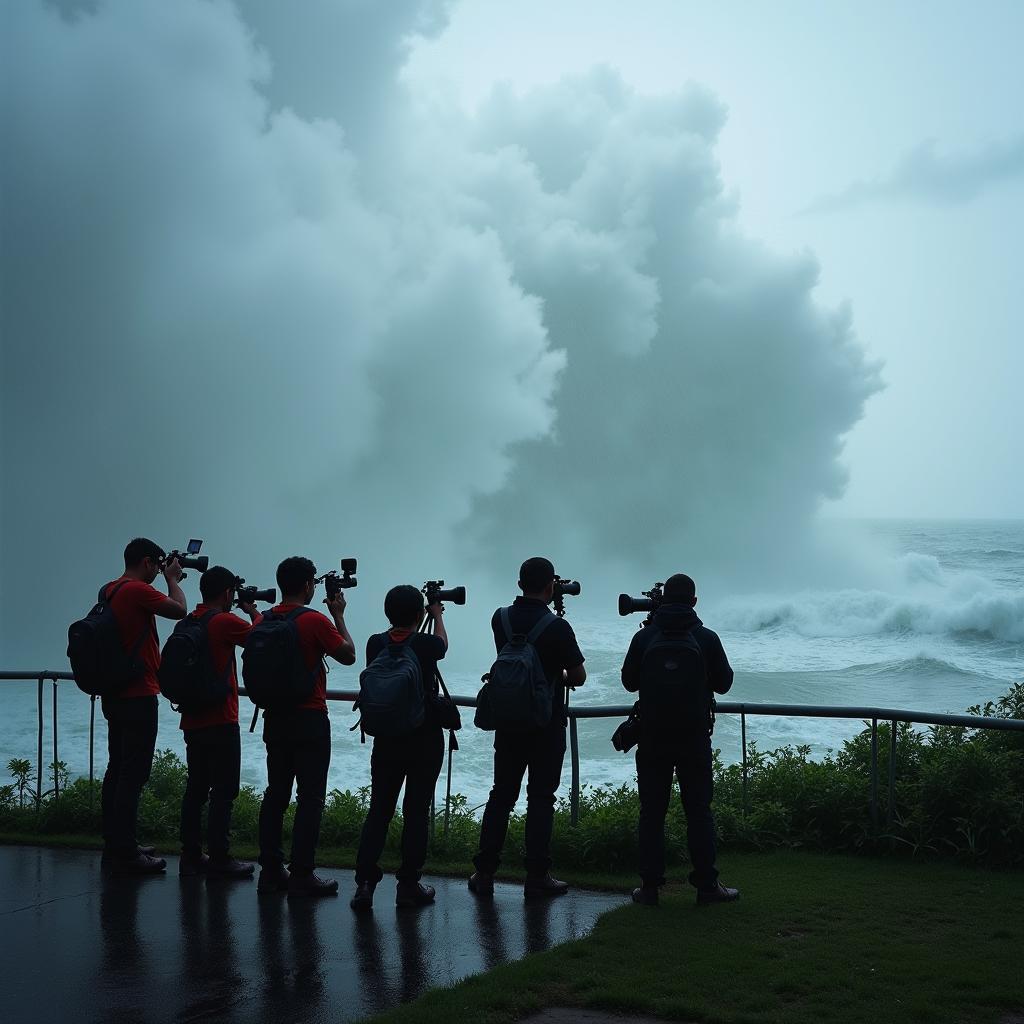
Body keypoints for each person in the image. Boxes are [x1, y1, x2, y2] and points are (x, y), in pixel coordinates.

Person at [469, 556, 586, 898]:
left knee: (501, 796)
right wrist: (557, 674)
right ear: (551, 586)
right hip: (545, 724)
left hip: (507, 721)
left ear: (519, 584)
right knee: (540, 798)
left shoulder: (500, 618)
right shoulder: (557, 626)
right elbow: (577, 675)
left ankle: (484, 872)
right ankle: (536, 876)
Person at [620, 572, 739, 906]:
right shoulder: (706, 637)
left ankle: (649, 888)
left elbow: (629, 683)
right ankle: (706, 886)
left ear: (662, 602)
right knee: (699, 811)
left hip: (653, 737)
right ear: (694, 602)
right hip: (694, 737)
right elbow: (725, 683)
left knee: (652, 812)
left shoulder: (644, 638)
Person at [256, 556, 356, 897]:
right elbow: (348, 655)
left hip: (274, 717)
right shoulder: (314, 620)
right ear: (309, 586)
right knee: (310, 797)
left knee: (276, 794)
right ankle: (302, 874)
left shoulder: (263, 619)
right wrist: (339, 614)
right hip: (309, 717)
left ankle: (271, 871)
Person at [350, 585, 448, 911]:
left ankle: (364, 884)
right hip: (423, 738)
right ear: (419, 613)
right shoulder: (427, 643)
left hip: (386, 739)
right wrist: (437, 615)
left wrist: (424, 613)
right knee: (415, 811)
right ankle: (408, 884)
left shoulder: (375, 643)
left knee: (379, 809)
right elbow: (442, 646)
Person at [101, 537, 188, 875]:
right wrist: (173, 580)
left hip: (116, 691)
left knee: (117, 768)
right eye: (157, 566)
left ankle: (116, 842)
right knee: (133, 774)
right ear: (149, 563)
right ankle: (125, 851)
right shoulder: (136, 590)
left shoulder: (108, 589)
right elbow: (179, 610)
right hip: (138, 693)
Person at [178, 565, 261, 880]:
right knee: (223, 791)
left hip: (192, 719)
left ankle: (190, 855)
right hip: (221, 719)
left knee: (195, 789)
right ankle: (221, 857)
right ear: (228, 594)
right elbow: (260, 636)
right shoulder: (224, 622)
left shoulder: (189, 622)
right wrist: (252, 610)